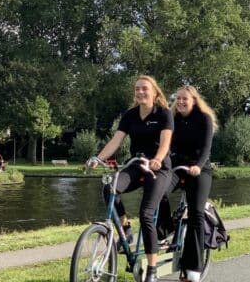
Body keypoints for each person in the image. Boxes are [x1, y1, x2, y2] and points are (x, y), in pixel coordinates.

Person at [88, 75, 173, 282]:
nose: (140, 92)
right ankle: (125, 230)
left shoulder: (164, 113)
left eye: (145, 88)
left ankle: (151, 269)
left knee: (146, 214)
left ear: (155, 92)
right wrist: (98, 159)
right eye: (137, 89)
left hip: (158, 168)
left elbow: (165, 143)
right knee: (110, 188)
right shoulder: (130, 115)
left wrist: (158, 159)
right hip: (136, 165)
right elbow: (116, 141)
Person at [161, 86, 217, 282]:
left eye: (185, 99)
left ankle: (193, 267)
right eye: (178, 99)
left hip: (198, 169)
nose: (181, 102)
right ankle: (166, 230)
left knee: (196, 214)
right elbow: (166, 145)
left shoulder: (204, 119)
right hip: (176, 168)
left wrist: (199, 166)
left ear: (194, 100)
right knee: (158, 193)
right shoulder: (173, 119)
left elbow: (206, 148)